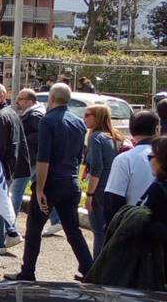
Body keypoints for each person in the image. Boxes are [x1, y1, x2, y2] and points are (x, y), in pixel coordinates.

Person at [5, 83, 93, 282]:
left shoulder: (48, 121)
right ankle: (89, 268)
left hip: (52, 182)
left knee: (34, 228)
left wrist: (40, 189)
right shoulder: (78, 122)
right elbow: (80, 156)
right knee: (72, 230)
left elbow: (44, 159)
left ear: (51, 98)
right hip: (71, 181)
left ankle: (28, 272)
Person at [84, 136, 167, 290]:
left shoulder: (158, 189)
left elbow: (150, 220)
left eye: (151, 157)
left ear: (162, 160)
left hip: (155, 258)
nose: (150, 161)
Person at [0, 83, 29, 252]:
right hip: (11, 167)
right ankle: (7, 235)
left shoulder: (1, 117)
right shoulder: (10, 112)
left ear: (2, 96)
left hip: (1, 169)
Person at [82, 105, 124, 259]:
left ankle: (96, 270)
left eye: (87, 115)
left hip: (99, 189)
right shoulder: (115, 136)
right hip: (114, 188)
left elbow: (97, 168)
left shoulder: (95, 137)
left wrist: (90, 194)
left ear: (97, 117)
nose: (84, 118)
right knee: (107, 231)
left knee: (98, 231)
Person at [104, 111, 159, 225]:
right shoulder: (160, 155)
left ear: (130, 130)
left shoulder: (124, 159)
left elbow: (113, 200)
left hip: (135, 228)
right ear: (157, 130)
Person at [11, 89, 45, 222]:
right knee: (40, 188)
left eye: (20, 99)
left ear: (29, 101)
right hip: (33, 158)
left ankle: (9, 222)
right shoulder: (32, 113)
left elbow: (40, 137)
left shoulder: (35, 115)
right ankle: (56, 219)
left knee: (17, 188)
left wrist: (22, 138)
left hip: (30, 159)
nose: (17, 101)